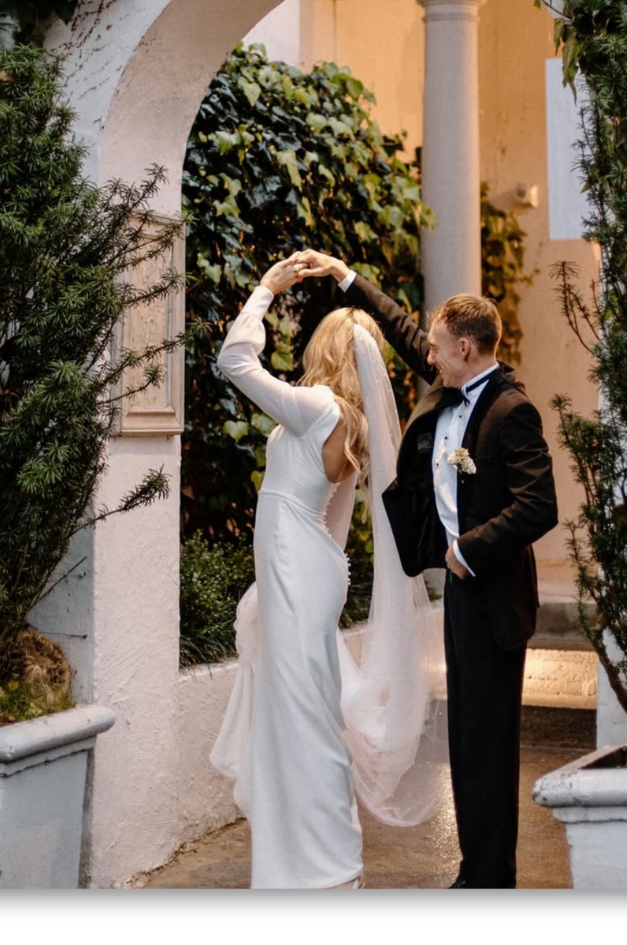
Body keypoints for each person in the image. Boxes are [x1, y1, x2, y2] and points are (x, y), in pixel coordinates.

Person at [292, 250, 559, 887]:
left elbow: (539, 505)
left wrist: (468, 549)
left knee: (488, 746)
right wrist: (342, 275)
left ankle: (490, 877)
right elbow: (405, 331)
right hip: (463, 596)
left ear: (467, 347)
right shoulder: (451, 385)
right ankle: (477, 870)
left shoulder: (510, 410)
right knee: (467, 739)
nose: (428, 356)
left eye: (440, 347)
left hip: (492, 597)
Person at [210, 256, 447, 888]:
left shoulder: (315, 407)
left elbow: (233, 362)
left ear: (326, 348)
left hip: (300, 571)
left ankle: (317, 863)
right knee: (309, 712)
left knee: (302, 716)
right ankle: (320, 857)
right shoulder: (357, 424)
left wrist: (264, 290)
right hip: (311, 569)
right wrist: (293, 580)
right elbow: (331, 521)